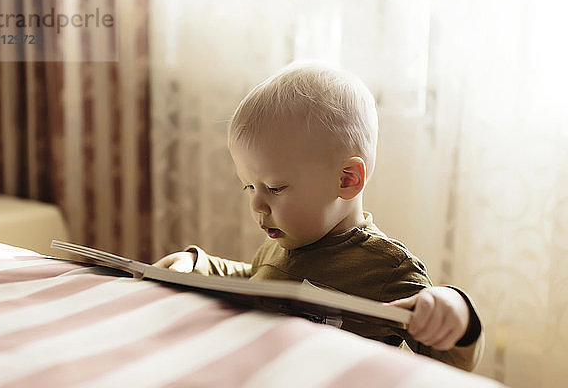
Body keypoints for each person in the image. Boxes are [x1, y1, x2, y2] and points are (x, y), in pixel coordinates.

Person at [154, 64, 484, 371]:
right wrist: (197, 265)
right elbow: (255, 280)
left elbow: (451, 363)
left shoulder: (386, 268)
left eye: (275, 187)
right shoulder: (284, 243)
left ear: (347, 180)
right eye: (249, 187)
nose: (257, 204)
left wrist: (455, 312)